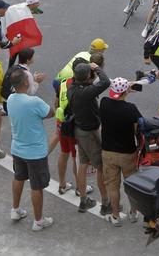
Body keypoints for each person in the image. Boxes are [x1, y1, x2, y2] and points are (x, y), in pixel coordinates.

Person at [6, 69, 56, 232]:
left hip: (18, 148)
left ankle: (15, 209)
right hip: (35, 152)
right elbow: (50, 113)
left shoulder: (11, 99)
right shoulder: (34, 102)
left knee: (18, 177)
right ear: (26, 83)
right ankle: (39, 220)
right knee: (37, 186)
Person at [68, 62, 111, 213]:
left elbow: (83, 81)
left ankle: (83, 200)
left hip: (79, 130)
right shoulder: (86, 92)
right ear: (87, 76)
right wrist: (96, 68)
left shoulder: (71, 88)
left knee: (83, 163)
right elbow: (106, 82)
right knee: (101, 167)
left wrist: (87, 72)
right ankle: (106, 204)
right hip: (90, 133)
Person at [99, 77, 142, 226]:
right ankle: (134, 212)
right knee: (131, 184)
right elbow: (139, 127)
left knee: (113, 186)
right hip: (128, 152)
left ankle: (115, 216)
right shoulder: (131, 109)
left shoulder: (104, 103)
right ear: (125, 91)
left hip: (108, 152)